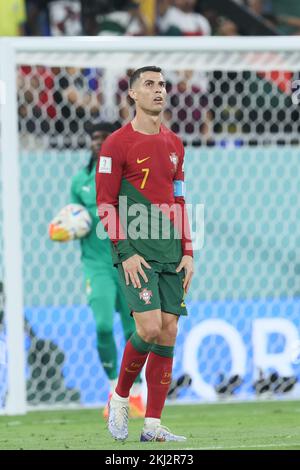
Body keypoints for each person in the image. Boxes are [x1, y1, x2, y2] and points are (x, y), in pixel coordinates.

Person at [96, 66, 194, 442]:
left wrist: (189, 250)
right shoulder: (116, 144)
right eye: (149, 85)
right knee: (149, 327)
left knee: (168, 332)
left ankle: (152, 425)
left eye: (162, 85)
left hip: (171, 250)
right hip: (134, 251)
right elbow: (105, 204)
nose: (158, 91)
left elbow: (180, 199)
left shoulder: (174, 144)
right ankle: (120, 398)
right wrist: (125, 252)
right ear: (133, 94)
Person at [70, 122, 145, 418]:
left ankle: (136, 394)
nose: (97, 142)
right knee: (102, 325)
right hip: (97, 265)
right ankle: (114, 391)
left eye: (103, 137)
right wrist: (67, 227)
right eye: (93, 138)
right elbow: (73, 217)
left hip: (128, 260)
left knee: (134, 330)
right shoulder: (80, 182)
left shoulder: (130, 176)